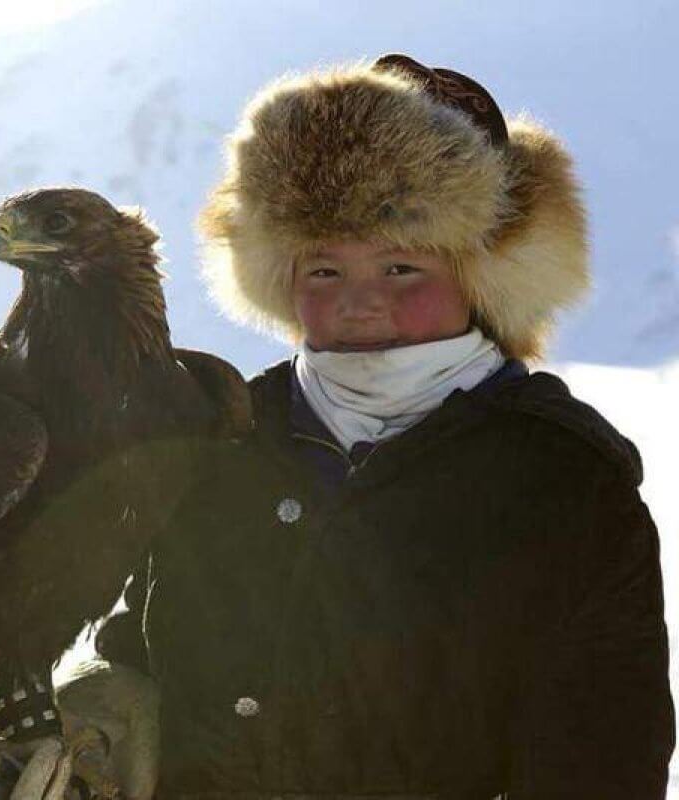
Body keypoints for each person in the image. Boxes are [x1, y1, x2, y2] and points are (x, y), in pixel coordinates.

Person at [60, 54, 674, 799]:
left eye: (400, 270)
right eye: (325, 271)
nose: (360, 303)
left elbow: (601, 758)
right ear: (279, 280)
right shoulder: (224, 437)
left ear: (479, 278)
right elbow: (146, 646)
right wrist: (101, 708)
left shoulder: (562, 478)